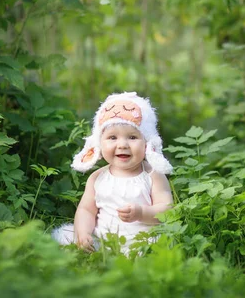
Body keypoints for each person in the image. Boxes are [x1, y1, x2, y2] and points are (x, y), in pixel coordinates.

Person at [52, 92, 174, 254]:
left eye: (132, 137)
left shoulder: (153, 175)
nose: (122, 144)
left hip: (141, 241)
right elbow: (86, 210)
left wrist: (141, 213)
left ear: (146, 142)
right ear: (99, 144)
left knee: (161, 242)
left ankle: (139, 255)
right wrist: (83, 233)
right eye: (112, 137)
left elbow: (167, 209)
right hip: (103, 241)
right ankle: (89, 246)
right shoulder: (97, 178)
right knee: (67, 235)